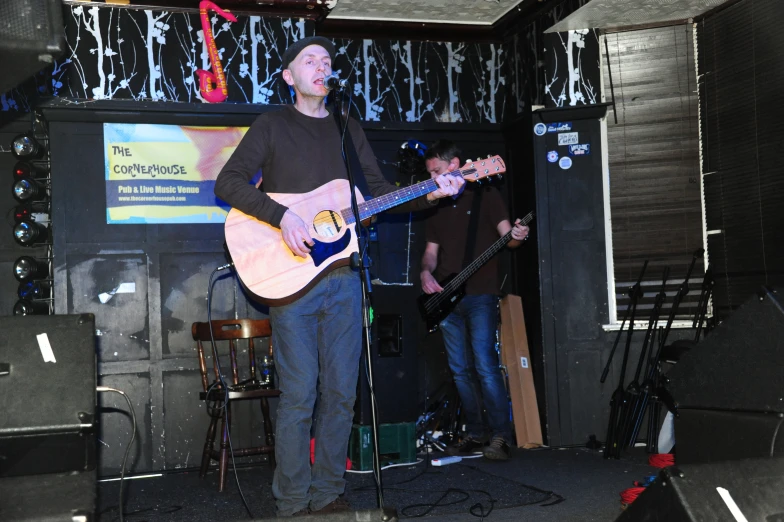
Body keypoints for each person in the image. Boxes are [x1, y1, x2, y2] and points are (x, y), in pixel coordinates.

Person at [214, 37, 464, 517]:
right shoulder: (272, 125)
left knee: (341, 393)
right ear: (289, 76)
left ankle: (326, 494)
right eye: (309, 60)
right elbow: (228, 183)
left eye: (326, 60)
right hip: (291, 282)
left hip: (345, 278)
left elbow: (382, 194)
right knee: (300, 393)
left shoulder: (347, 126)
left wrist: (434, 191)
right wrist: (281, 217)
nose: (321, 66)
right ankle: (290, 502)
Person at [420, 140, 529, 461]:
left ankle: (500, 436)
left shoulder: (485, 195)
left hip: (481, 293)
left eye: (436, 171)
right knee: (459, 369)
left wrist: (518, 235)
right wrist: (425, 274)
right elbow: (430, 252)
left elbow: (509, 238)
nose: (431, 179)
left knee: (485, 365)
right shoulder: (436, 203)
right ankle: (476, 433)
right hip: (446, 298)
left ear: (454, 165)